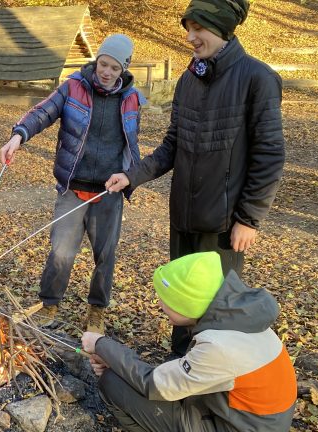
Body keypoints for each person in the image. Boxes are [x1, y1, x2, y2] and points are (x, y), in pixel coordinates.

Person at [123, 0, 285, 355]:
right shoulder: (189, 79)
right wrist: (132, 176)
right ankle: (181, 363)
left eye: (198, 28)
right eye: (188, 29)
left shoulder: (257, 79)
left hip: (223, 224)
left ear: (222, 28)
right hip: (183, 217)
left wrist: (249, 219)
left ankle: (210, 374)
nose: (190, 37)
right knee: (182, 301)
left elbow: (270, 155)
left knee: (216, 308)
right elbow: (172, 145)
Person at [0, 34, 146, 334]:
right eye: (103, 64)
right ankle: (49, 305)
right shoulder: (73, 87)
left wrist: (131, 175)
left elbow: (131, 142)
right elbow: (43, 112)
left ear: (124, 69)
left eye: (114, 68)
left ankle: (97, 312)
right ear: (96, 61)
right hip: (73, 188)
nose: (107, 72)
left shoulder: (131, 99)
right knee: (61, 252)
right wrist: (19, 135)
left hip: (109, 190)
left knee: (105, 255)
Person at [82, 252, 297, 431]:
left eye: (166, 300)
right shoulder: (240, 320)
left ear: (187, 305)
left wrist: (100, 344)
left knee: (112, 383)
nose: (159, 304)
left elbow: (154, 384)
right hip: (244, 418)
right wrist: (115, 362)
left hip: (239, 426)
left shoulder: (218, 346)